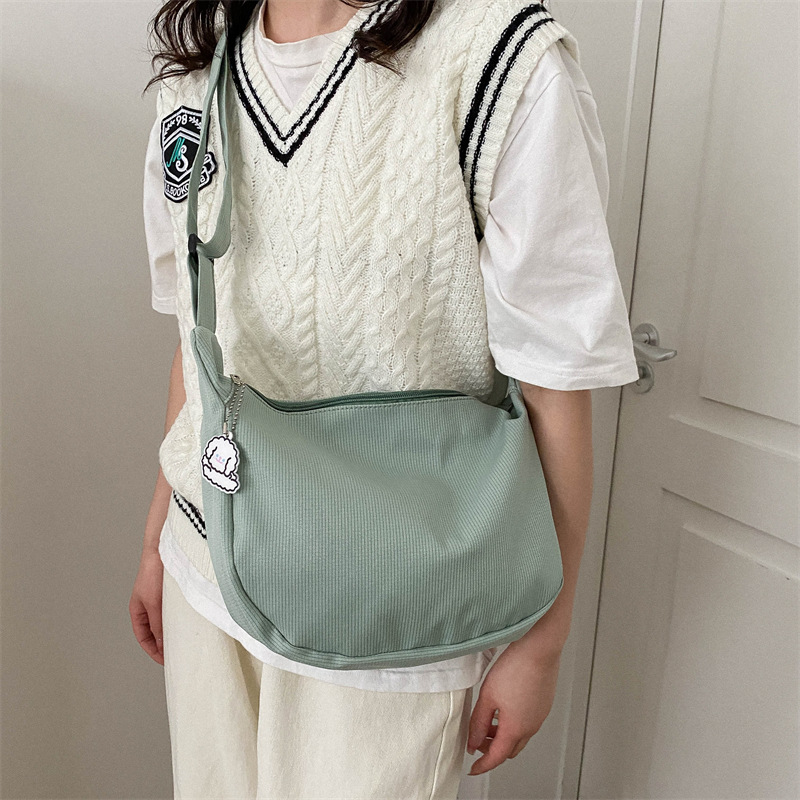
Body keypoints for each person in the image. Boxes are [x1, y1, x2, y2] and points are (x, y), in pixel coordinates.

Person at [129, 0, 639, 796]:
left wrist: (542, 641)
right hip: (205, 565)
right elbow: (198, 344)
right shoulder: (196, 81)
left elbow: (557, 380)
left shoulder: (500, 60)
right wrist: (158, 534)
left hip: (392, 605)